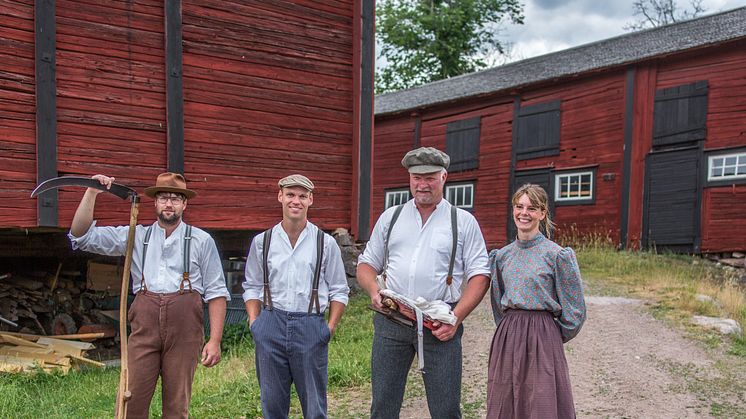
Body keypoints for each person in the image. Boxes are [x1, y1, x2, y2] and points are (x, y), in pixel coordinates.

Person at [68, 172, 229, 419]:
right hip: (145, 326)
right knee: (131, 400)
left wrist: (215, 340)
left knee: (177, 406)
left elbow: (217, 292)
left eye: (175, 199)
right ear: (155, 202)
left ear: (184, 204)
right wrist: (92, 192)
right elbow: (81, 237)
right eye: (164, 198)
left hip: (184, 329)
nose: (169, 204)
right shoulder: (136, 235)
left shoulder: (201, 240)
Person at [357, 147, 491, 419]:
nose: (422, 184)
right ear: (409, 178)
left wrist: (455, 318)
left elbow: (480, 275)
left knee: (445, 409)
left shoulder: (462, 221)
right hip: (391, 319)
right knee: (383, 405)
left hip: (438, 324)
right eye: (416, 177)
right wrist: (373, 290)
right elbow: (366, 264)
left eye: (430, 177)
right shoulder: (391, 217)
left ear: (444, 177)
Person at [242, 174, 349, 419]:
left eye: (302, 196)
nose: (296, 201)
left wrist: (329, 328)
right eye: (290, 194)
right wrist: (254, 322)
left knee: (314, 407)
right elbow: (252, 285)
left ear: (310, 200)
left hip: (310, 324)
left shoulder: (325, 243)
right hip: (270, 323)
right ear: (280, 196)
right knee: (272, 405)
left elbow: (339, 290)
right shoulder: (263, 242)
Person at [486, 183, 586, 418]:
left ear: (542, 213)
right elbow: (497, 301)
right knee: (505, 399)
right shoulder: (502, 256)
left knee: (541, 401)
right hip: (509, 335)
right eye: (519, 206)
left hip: (543, 335)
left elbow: (575, 309)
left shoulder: (557, 255)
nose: (524, 213)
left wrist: (550, 334)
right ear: (513, 210)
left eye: (532, 208)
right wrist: (509, 329)